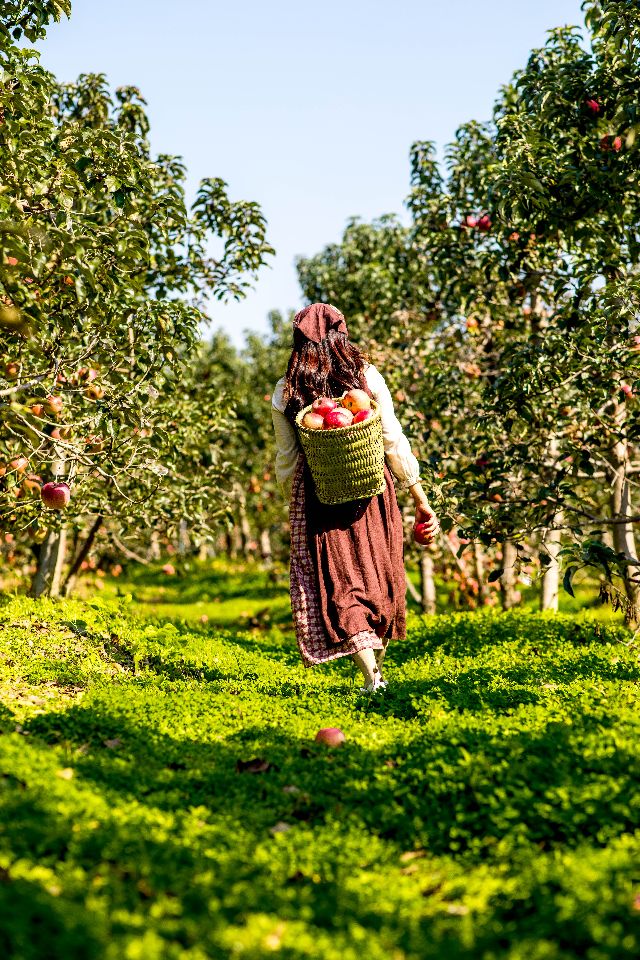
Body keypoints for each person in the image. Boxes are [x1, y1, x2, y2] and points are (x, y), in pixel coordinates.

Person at [271, 303, 439, 692]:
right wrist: (418, 494)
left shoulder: (286, 390)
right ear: (342, 335)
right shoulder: (365, 377)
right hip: (371, 491)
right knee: (376, 580)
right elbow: (392, 439)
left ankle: (371, 677)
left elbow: (287, 458)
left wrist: (292, 501)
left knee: (341, 585)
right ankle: (373, 677)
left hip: (320, 496)